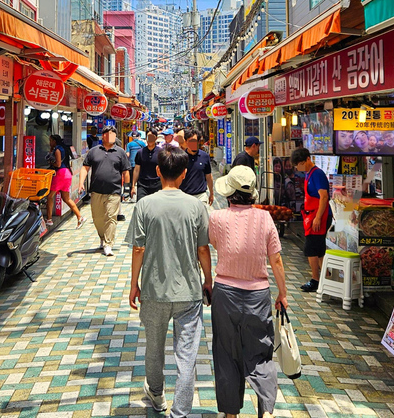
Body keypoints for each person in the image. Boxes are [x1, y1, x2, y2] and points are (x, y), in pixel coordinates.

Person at [126, 146, 212, 418]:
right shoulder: (196, 206)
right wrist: (208, 280)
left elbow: (138, 249)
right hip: (189, 291)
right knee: (186, 356)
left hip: (153, 290)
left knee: (154, 348)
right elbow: (202, 250)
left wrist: (133, 284)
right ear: (185, 174)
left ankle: (157, 395)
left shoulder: (144, 205)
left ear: (159, 171)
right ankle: (181, 410)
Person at [208, 166, 287, 418]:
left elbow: (214, 245)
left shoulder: (217, 218)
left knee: (226, 353)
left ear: (229, 192)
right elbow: (276, 260)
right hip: (258, 295)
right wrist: (282, 293)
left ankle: (231, 413)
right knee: (261, 353)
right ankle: (266, 411)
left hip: (225, 294)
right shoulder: (265, 218)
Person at [79, 125, 130, 256]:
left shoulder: (120, 152)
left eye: (112, 134)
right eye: (107, 134)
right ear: (103, 136)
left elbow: (125, 171)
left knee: (111, 218)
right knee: (97, 218)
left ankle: (108, 244)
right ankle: (102, 237)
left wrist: (127, 189)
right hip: (96, 191)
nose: (110, 137)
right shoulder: (94, 151)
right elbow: (85, 168)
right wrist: (81, 183)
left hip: (114, 191)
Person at [291, 148, 332, 292]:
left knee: (311, 249)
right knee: (319, 250)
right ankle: (326, 279)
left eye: (300, 163)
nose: (299, 167)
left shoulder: (317, 174)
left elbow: (324, 197)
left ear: (308, 159)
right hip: (311, 216)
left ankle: (315, 280)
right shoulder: (309, 174)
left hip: (318, 217)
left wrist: (318, 218)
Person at [47, 135, 86, 229]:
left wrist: (51, 163)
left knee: (50, 196)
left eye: (50, 141)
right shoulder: (63, 148)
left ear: (54, 141)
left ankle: (49, 219)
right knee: (66, 198)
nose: (49, 142)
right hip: (67, 173)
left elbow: (58, 164)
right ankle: (80, 217)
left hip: (60, 174)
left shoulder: (57, 150)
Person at [179, 129, 214, 208]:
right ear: (186, 142)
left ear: (198, 142)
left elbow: (208, 176)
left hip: (201, 196)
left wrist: (211, 193)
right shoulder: (181, 157)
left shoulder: (205, 156)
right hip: (184, 195)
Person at [131, 128, 162, 201]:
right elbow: (136, 170)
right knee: (141, 207)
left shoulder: (161, 152)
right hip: (143, 185)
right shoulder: (140, 152)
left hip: (157, 185)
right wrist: (133, 186)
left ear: (156, 138)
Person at [126, 132, 147, 197]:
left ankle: (131, 194)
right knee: (140, 180)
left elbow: (127, 154)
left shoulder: (129, 144)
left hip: (132, 164)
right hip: (141, 164)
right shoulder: (142, 143)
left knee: (131, 179)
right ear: (138, 136)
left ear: (132, 137)